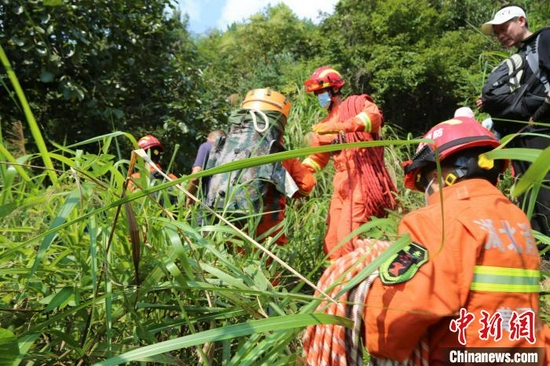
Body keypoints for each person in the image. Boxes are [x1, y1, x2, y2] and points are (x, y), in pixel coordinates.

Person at [303, 116, 550, 365]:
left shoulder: (437, 220)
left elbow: (397, 321)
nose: (427, 193)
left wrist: (362, 294)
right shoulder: (516, 219)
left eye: (426, 183)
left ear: (440, 176)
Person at [302, 66, 397, 260]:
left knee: (348, 240)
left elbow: (373, 118)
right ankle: (335, 285)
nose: (320, 97)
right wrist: (299, 174)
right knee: (331, 244)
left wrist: (341, 126)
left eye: (321, 92)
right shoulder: (324, 123)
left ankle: (352, 284)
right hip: (341, 185)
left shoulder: (357, 104)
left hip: (360, 180)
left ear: (334, 90)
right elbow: (317, 157)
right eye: (317, 94)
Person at [478, 5, 550, 239]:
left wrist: (538, 114)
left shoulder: (545, 38)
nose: (500, 35)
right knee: (530, 194)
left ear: (521, 20)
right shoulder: (522, 54)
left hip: (542, 131)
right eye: (497, 32)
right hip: (523, 135)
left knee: (545, 190)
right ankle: (541, 251)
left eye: (504, 27)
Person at [185, 130, 226, 206]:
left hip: (210, 202)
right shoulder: (229, 152)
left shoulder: (206, 146)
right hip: (228, 202)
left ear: (208, 138)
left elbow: (195, 177)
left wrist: (189, 196)